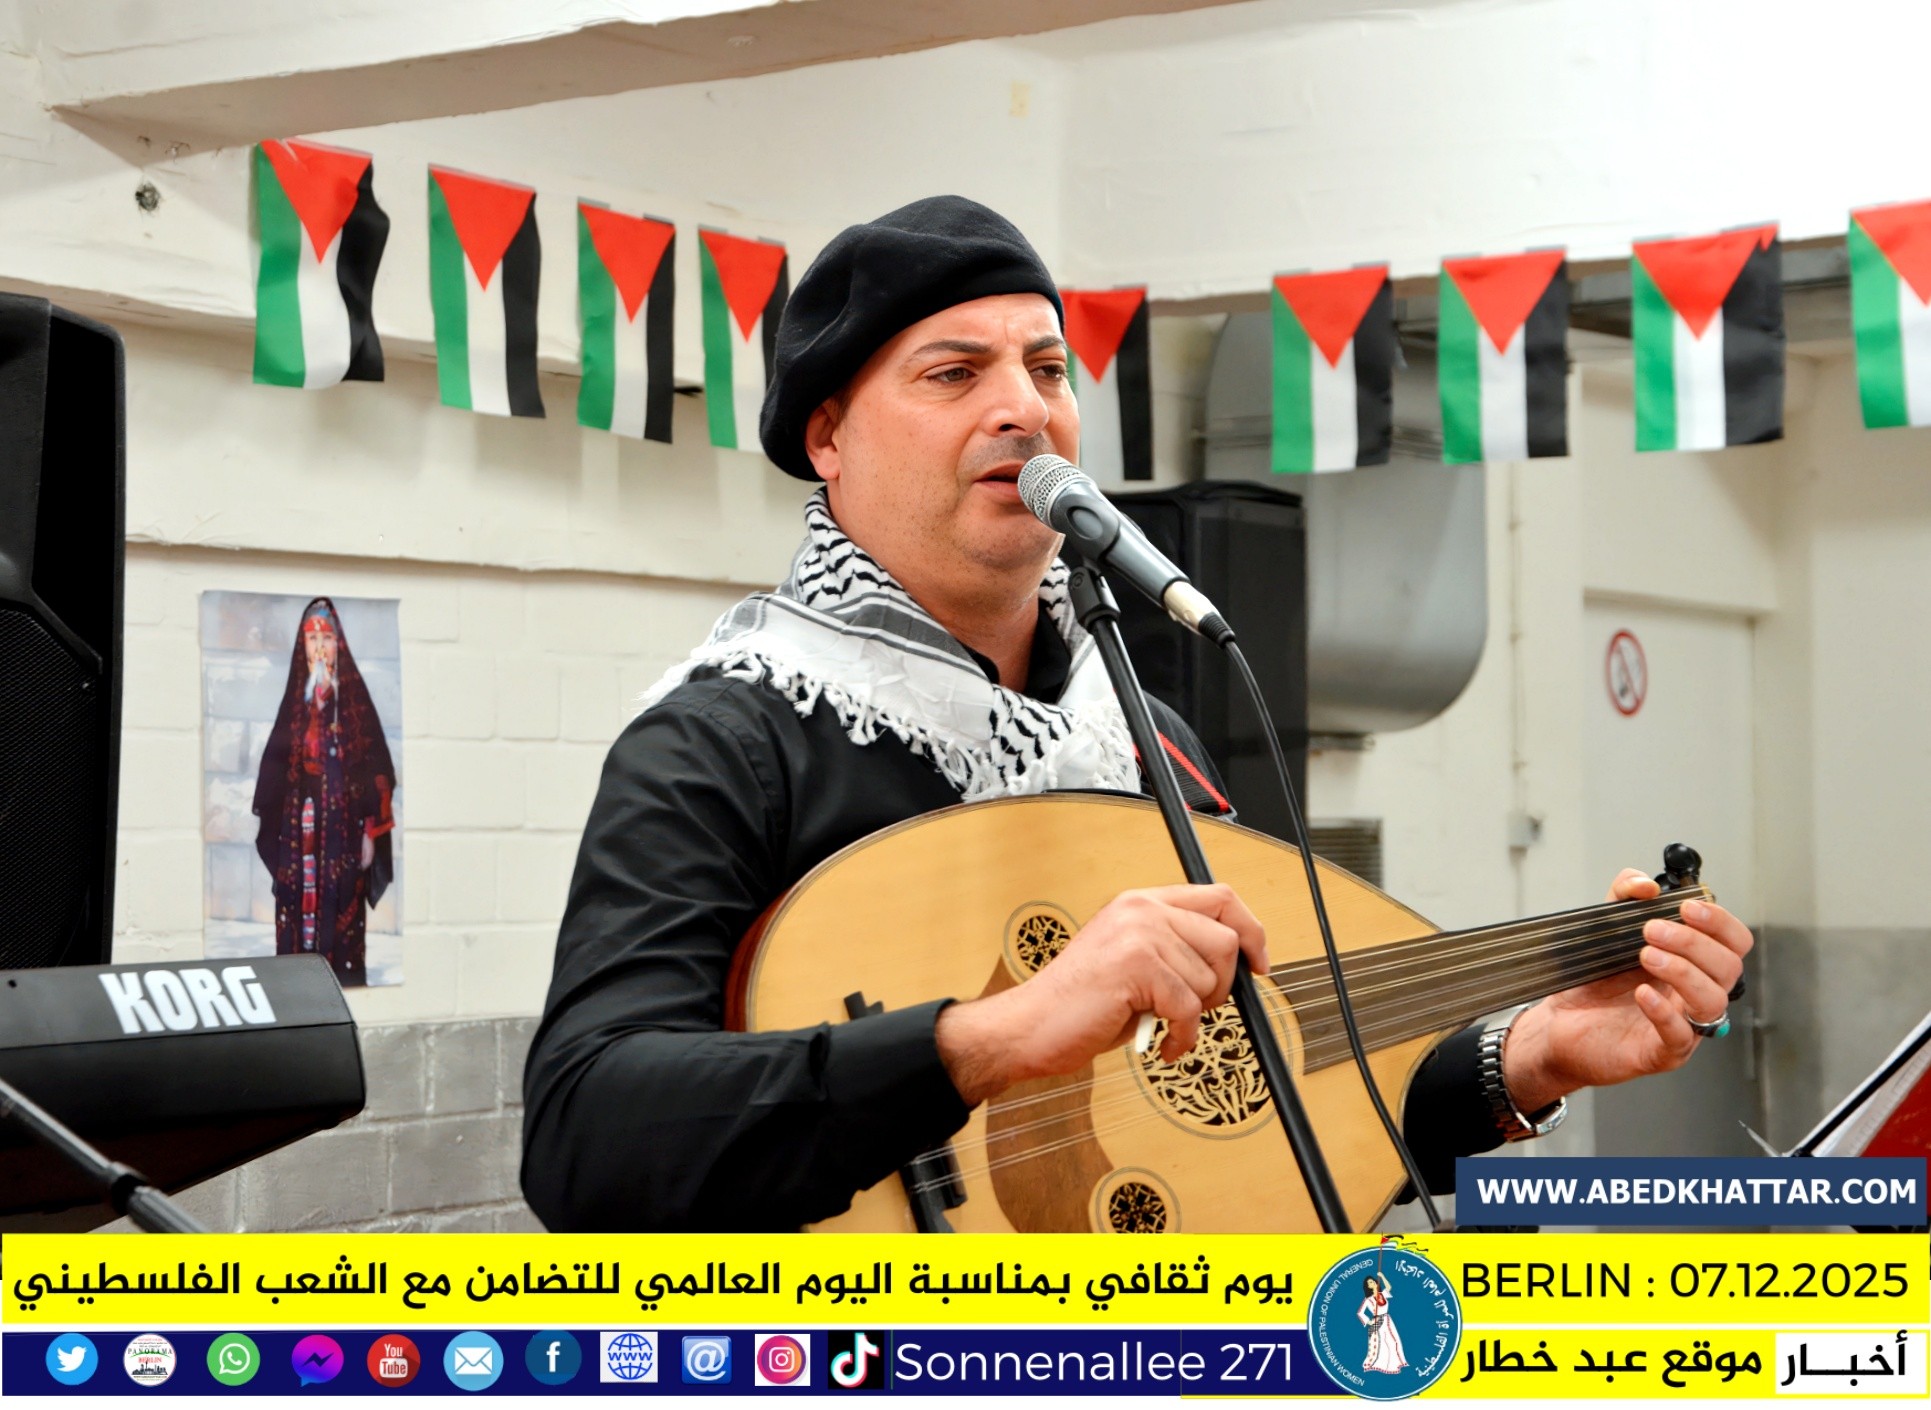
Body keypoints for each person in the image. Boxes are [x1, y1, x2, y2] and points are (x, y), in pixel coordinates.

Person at [520, 196, 1754, 1232]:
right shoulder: (727, 738)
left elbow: (1260, 1108)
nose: (1024, 408)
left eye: (1047, 368)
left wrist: (1532, 1051)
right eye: (953, 373)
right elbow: (585, 1139)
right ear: (828, 435)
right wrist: (987, 1038)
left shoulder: (1144, 738)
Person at [252, 597, 396, 986]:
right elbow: (276, 770)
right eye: (312, 639)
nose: (320, 648)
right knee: (301, 906)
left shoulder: (355, 705)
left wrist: (371, 831)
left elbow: (378, 770)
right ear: (302, 646)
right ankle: (299, 986)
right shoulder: (295, 705)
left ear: (338, 644)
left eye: (327, 638)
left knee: (342, 904)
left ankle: (340, 985)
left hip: (344, 830)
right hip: (300, 830)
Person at [1358, 1276, 1407, 1374]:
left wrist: (1382, 1276)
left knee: (1393, 1341)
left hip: (1387, 1320)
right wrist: (1369, 1322)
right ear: (1368, 1287)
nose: (1372, 1283)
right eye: (1369, 1283)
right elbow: (1360, 1312)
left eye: (1373, 1281)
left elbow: (1389, 1287)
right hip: (1378, 1322)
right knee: (1382, 1344)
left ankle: (1394, 1365)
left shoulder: (1383, 1294)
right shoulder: (1368, 1300)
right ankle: (1381, 1366)